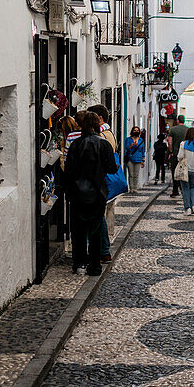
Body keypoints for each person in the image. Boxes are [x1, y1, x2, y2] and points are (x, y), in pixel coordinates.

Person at [62, 111, 116, 276]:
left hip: (78, 193)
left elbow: (68, 169)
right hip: (97, 193)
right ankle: (94, 266)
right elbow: (112, 168)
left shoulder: (75, 144)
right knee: (95, 230)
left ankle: (79, 265)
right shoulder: (104, 144)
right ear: (98, 125)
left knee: (78, 231)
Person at [88, 103, 117, 262]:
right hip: (102, 182)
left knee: (98, 217)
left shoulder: (103, 136)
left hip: (99, 181)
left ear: (99, 118)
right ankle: (103, 250)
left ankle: (102, 250)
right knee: (100, 217)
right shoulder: (109, 133)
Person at [175, 127, 194, 215]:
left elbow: (180, 156)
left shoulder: (183, 144)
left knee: (185, 188)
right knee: (192, 187)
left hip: (186, 169)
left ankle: (187, 208)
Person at [168, 114, 188, 196]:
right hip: (186, 155)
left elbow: (170, 141)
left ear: (177, 120)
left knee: (175, 172)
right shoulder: (188, 129)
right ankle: (184, 189)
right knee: (184, 171)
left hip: (175, 154)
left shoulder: (173, 129)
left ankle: (175, 190)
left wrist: (171, 151)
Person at [124, 126, 145, 192]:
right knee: (131, 174)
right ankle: (131, 188)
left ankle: (135, 188)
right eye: (134, 130)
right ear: (132, 131)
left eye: (137, 130)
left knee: (136, 174)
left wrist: (143, 161)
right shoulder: (128, 139)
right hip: (130, 158)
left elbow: (143, 151)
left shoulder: (141, 140)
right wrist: (132, 145)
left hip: (138, 159)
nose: (136, 131)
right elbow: (127, 147)